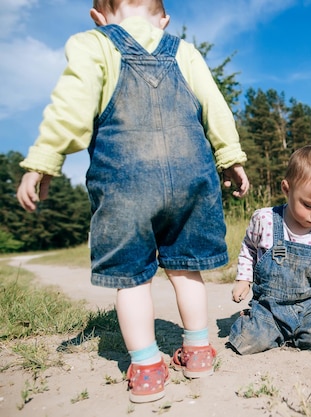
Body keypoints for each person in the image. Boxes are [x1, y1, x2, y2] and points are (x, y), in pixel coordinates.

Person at [16, 0, 249, 404]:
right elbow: (216, 107)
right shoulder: (185, 51)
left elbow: (70, 107)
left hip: (125, 181)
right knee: (187, 268)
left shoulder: (92, 44)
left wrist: (45, 161)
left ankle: (145, 367)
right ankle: (197, 352)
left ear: (98, 17)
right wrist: (230, 157)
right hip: (191, 178)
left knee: (131, 279)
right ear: (164, 20)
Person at [229, 145, 311, 361]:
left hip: (309, 309)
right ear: (287, 189)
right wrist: (244, 278)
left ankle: (291, 335)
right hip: (270, 308)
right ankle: (257, 322)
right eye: (309, 204)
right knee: (246, 340)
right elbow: (248, 247)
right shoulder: (265, 220)